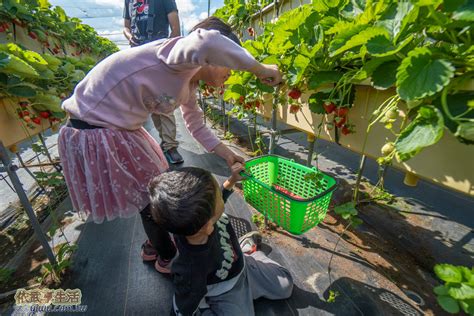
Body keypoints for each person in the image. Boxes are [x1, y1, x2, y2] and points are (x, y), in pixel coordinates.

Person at [58, 17, 282, 272]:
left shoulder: (189, 83)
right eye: (229, 65)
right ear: (213, 57)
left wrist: (227, 154)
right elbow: (207, 39)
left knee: (152, 193)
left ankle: (155, 245)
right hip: (96, 128)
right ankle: (167, 257)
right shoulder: (176, 55)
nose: (231, 73)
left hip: (117, 128)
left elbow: (195, 125)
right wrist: (261, 69)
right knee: (153, 197)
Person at [149, 165, 294, 315]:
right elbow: (182, 306)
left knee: (285, 284)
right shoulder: (191, 269)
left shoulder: (198, 219)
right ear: (208, 225)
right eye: (218, 195)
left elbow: (213, 201)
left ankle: (248, 251)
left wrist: (231, 181)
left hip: (243, 266)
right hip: (223, 291)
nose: (220, 192)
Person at [123, 0, 184, 164]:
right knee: (150, 102)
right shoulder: (129, 1)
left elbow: (175, 29)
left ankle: (171, 146)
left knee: (165, 101)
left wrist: (166, 52)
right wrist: (130, 37)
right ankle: (166, 143)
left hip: (159, 55)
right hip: (138, 56)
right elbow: (126, 26)